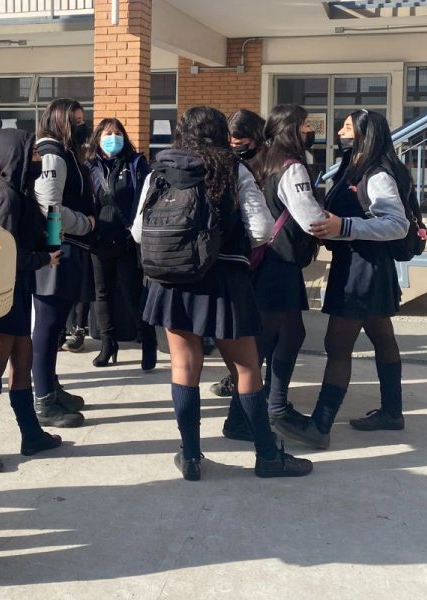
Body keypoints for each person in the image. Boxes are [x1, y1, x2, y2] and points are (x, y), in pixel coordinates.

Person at [133, 106, 312, 481]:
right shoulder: (232, 168)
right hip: (224, 282)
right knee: (246, 366)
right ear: (218, 132)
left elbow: (138, 231)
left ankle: (192, 456)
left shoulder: (160, 170)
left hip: (172, 282)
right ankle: (267, 455)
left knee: (183, 366)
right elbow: (262, 229)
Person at [274, 110, 409, 449]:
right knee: (382, 337)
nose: (339, 132)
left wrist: (343, 228)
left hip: (363, 269)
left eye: (347, 127)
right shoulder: (354, 168)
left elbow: (397, 224)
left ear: (365, 134)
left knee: (337, 347)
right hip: (358, 264)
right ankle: (392, 412)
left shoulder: (376, 174)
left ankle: (320, 426)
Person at [0, 128, 63, 472]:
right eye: (32, 154)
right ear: (16, 157)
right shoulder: (6, 197)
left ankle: (31, 434)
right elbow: (4, 255)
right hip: (3, 295)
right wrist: (44, 260)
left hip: (18, 292)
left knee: (22, 363)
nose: (38, 161)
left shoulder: (20, 193)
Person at [250, 105, 326, 432]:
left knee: (287, 333)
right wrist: (343, 225)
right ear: (291, 129)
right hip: (280, 262)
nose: (312, 130)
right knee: (274, 337)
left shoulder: (261, 161)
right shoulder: (292, 168)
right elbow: (311, 219)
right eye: (307, 124)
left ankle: (269, 403)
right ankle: (265, 408)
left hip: (264, 258)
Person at [31, 98, 96, 428]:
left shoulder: (63, 152)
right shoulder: (52, 154)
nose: (83, 126)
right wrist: (81, 227)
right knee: (48, 325)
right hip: (59, 251)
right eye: (77, 120)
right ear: (60, 121)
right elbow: (49, 206)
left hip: (66, 247)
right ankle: (42, 399)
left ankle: (51, 387)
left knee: (55, 326)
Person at [218, 109, 275, 441]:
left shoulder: (265, 166)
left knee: (261, 343)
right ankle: (247, 417)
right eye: (231, 139)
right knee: (253, 348)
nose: (234, 144)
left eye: (240, 139)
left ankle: (258, 407)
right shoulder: (238, 168)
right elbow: (260, 227)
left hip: (255, 259)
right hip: (250, 262)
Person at [85, 117, 156, 370]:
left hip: (128, 240)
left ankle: (148, 342)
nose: (112, 138)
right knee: (102, 294)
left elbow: (148, 198)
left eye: (117, 133)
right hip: (99, 240)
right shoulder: (89, 167)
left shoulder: (136, 164)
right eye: (107, 134)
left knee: (133, 293)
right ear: (98, 138)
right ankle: (108, 343)